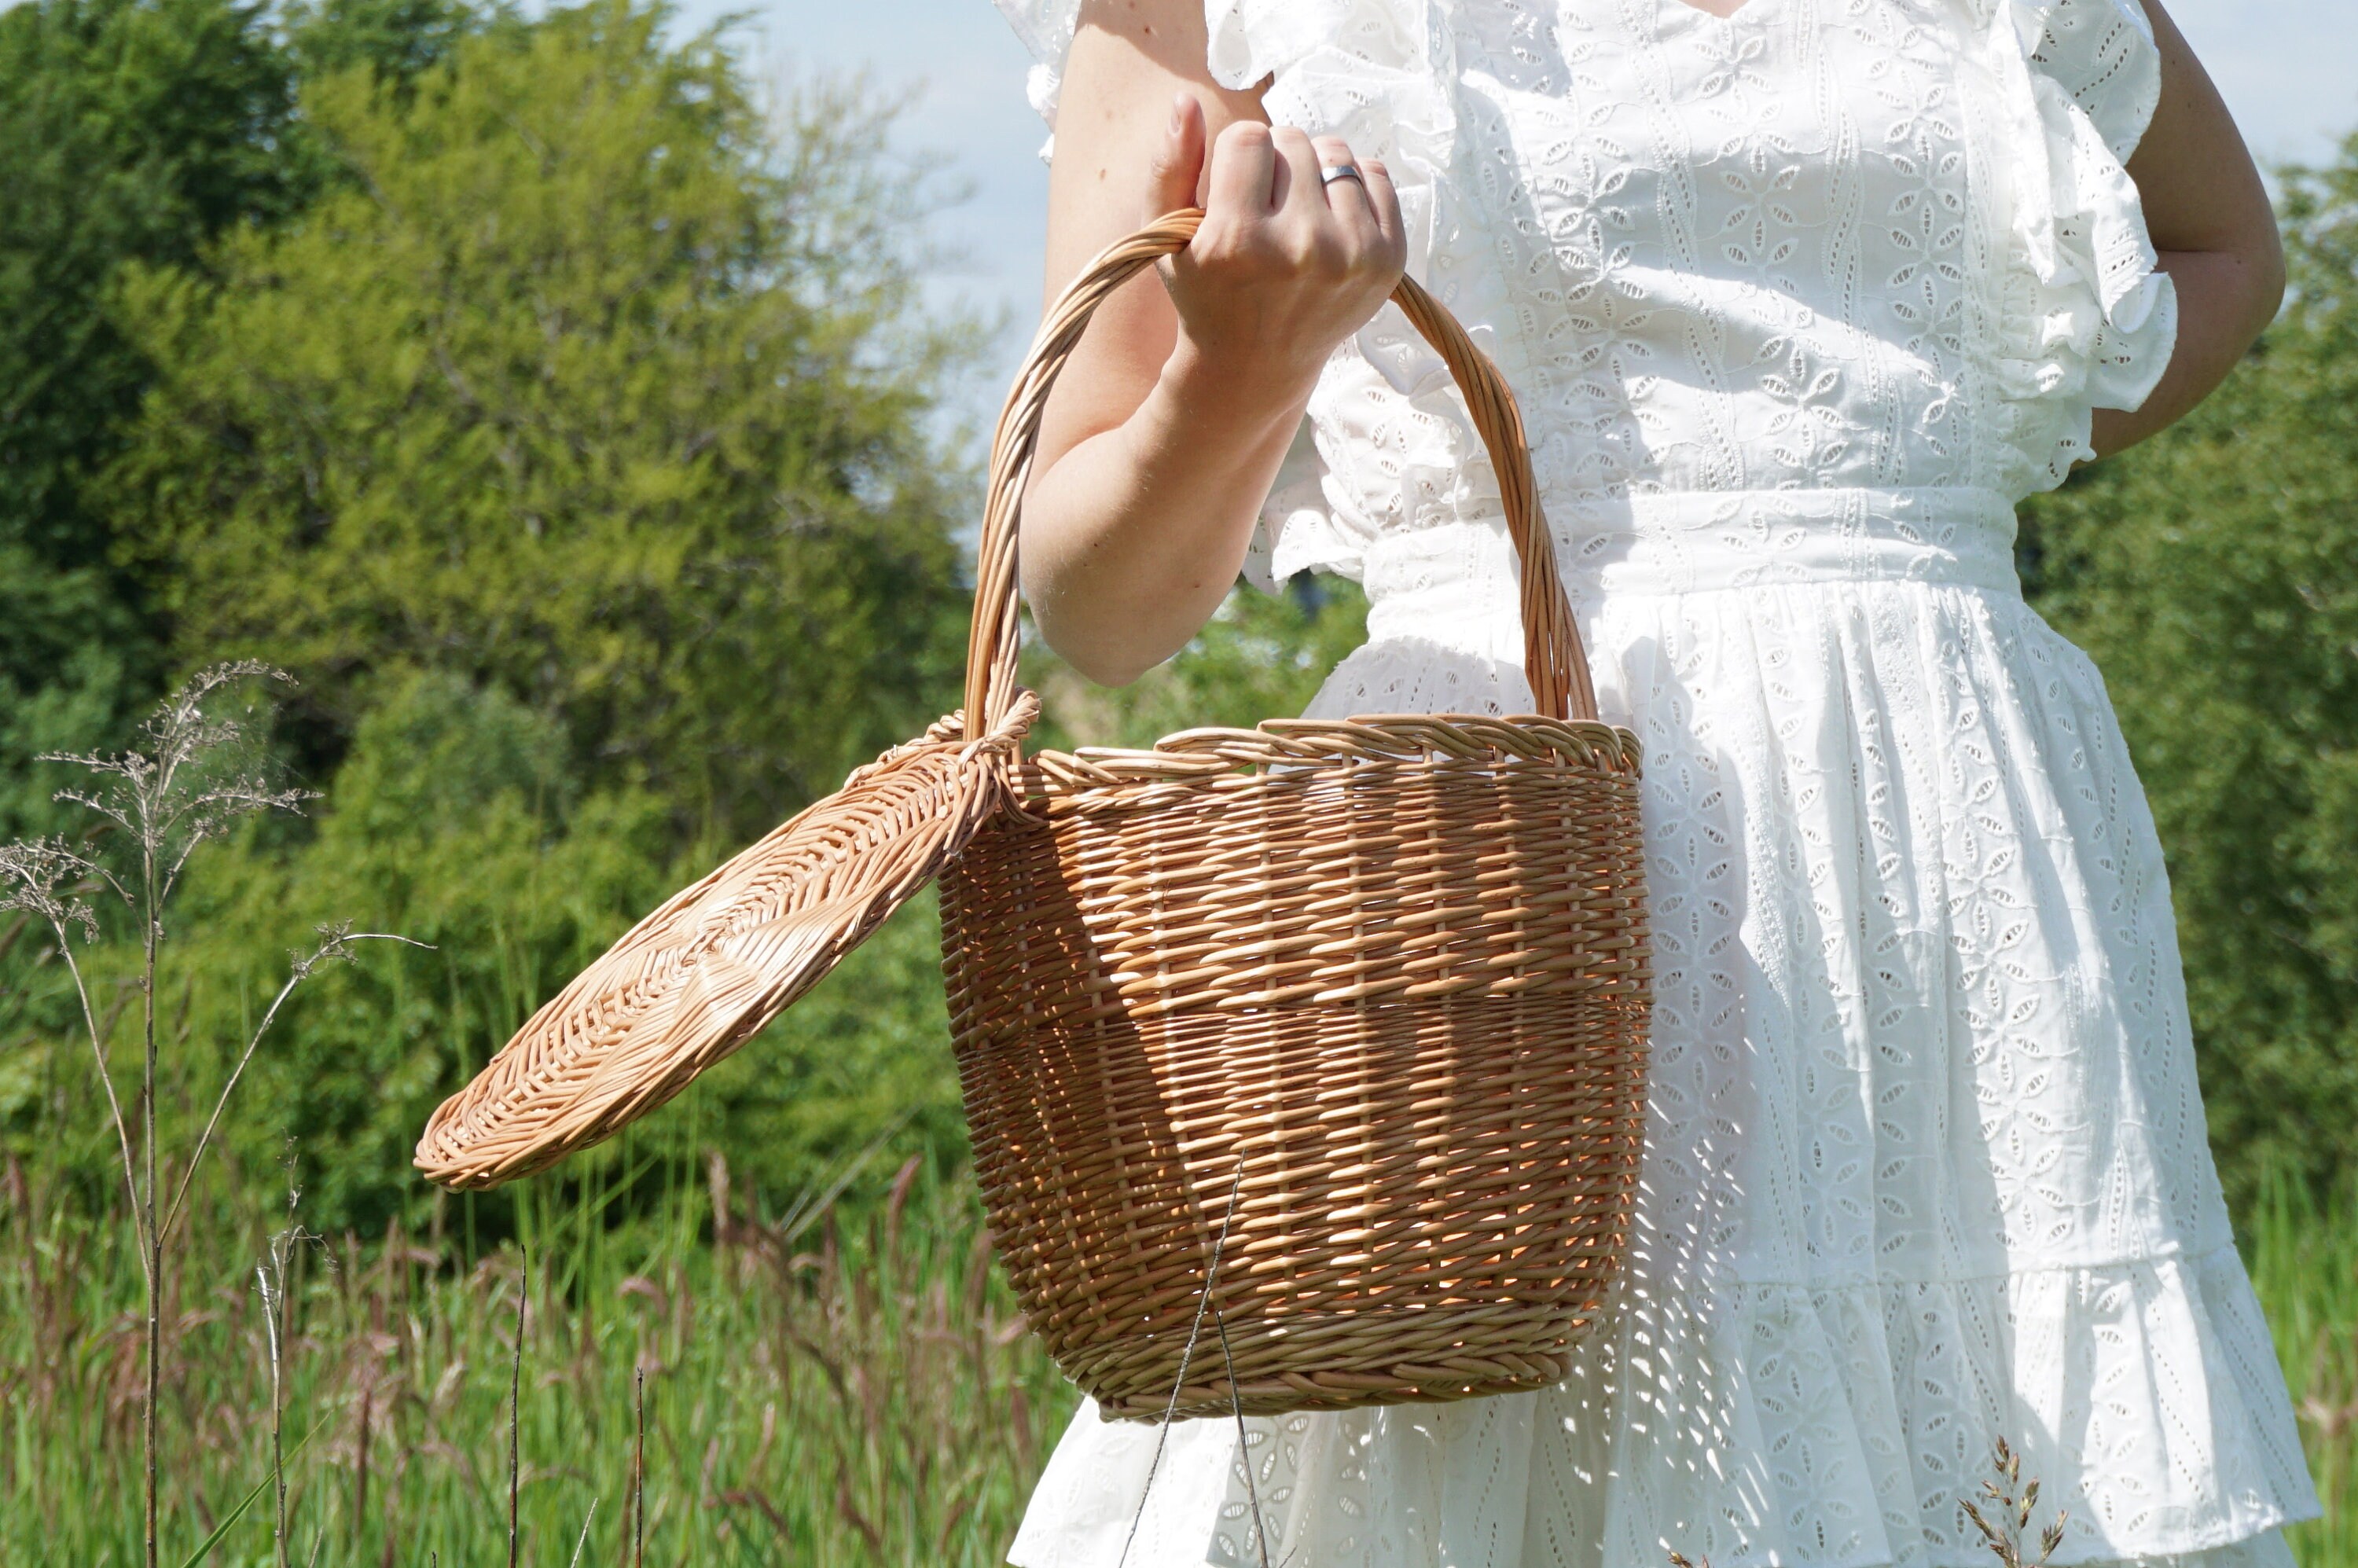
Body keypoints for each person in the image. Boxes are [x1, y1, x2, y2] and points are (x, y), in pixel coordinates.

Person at [983, 2, 2318, 1566]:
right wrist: (1235, 374)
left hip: (1950, 854)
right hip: (1505, 880)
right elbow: (1092, 605)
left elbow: (2223, 249)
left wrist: (1930, 460)